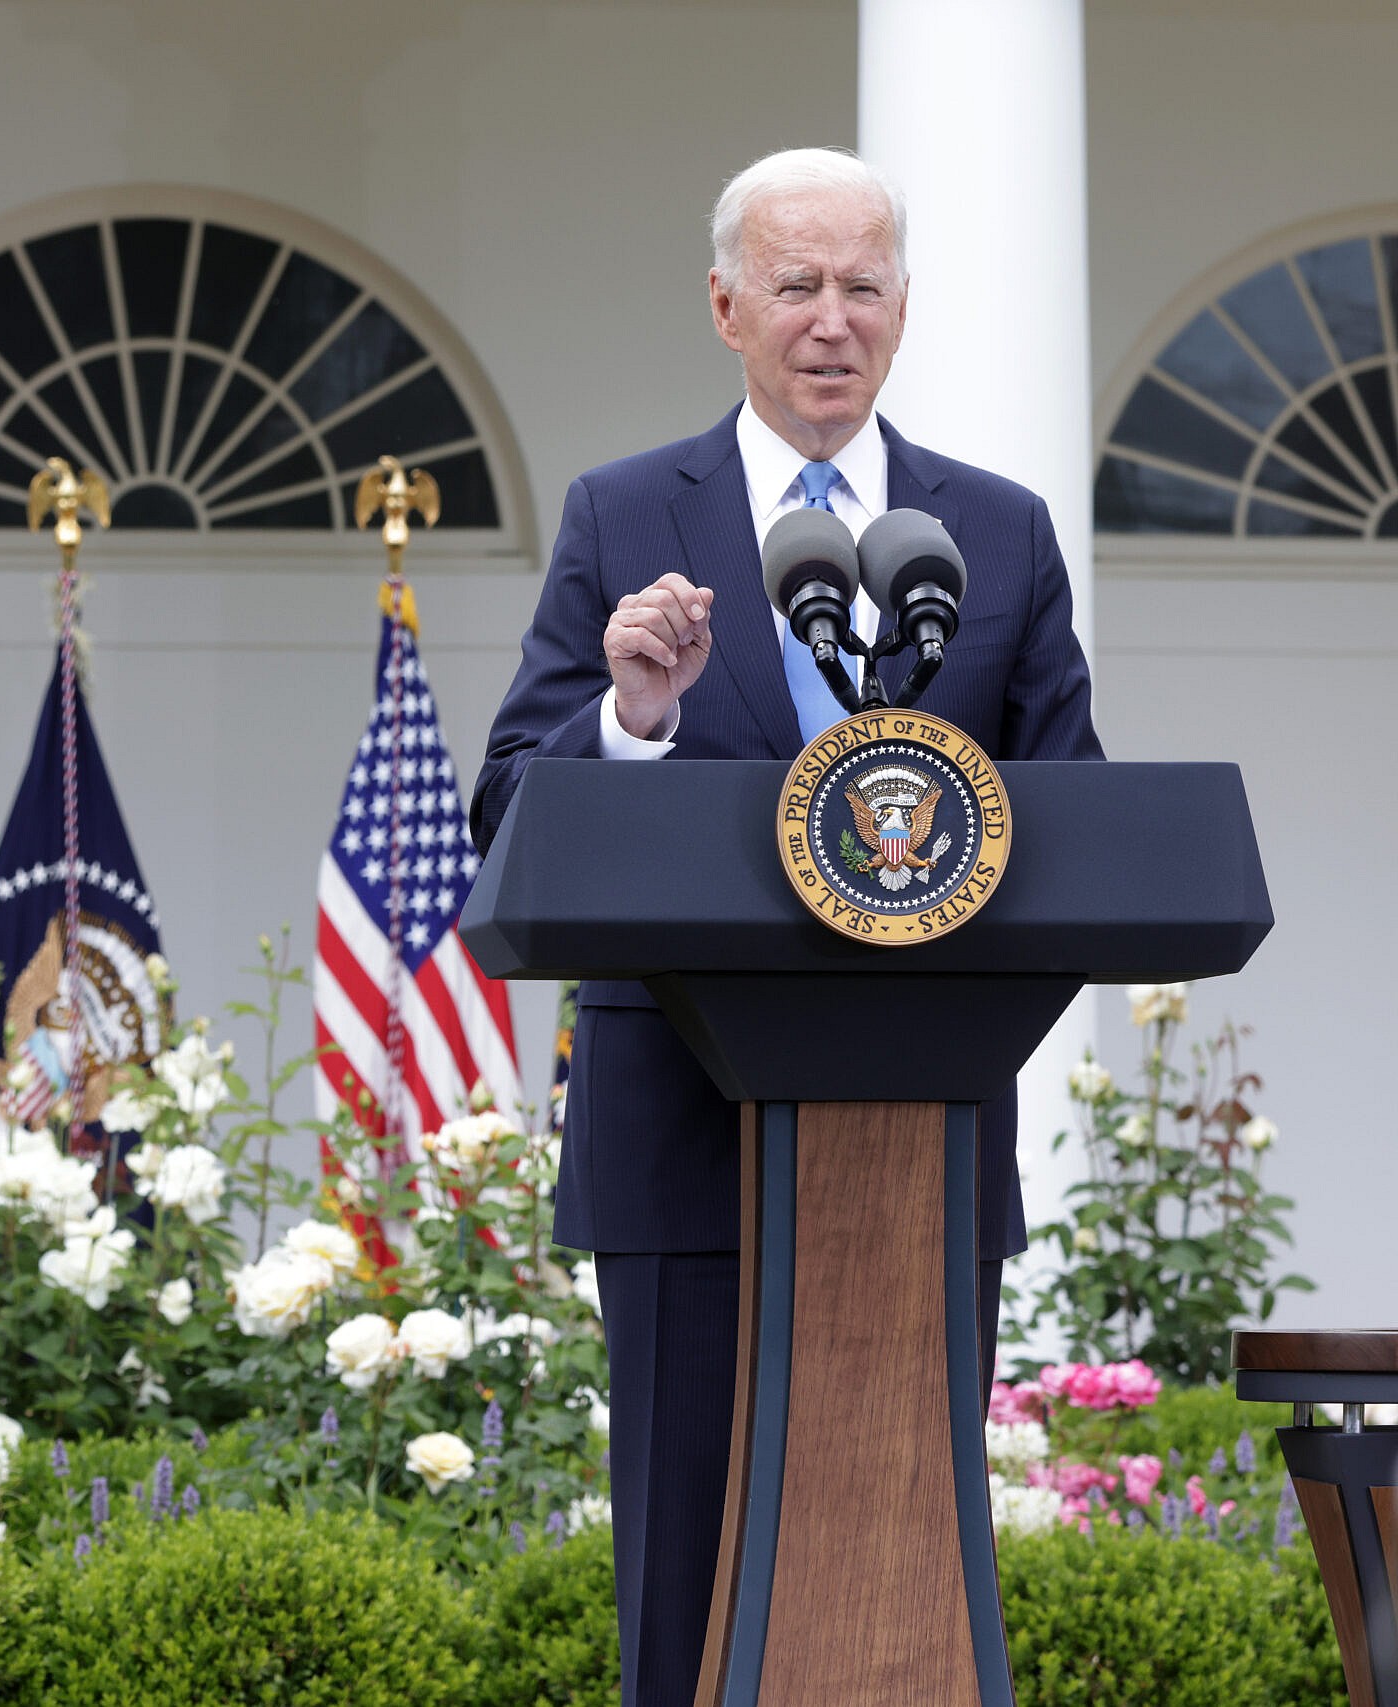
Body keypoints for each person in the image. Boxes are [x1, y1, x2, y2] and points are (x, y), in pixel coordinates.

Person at [470, 148, 1101, 1707]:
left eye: (863, 286)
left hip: (923, 1132)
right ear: (726, 306)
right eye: (798, 286)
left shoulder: (997, 534)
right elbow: (509, 812)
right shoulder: (628, 517)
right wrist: (631, 719)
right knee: (687, 1572)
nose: (833, 320)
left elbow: (1076, 823)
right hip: (682, 1126)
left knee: (906, 1563)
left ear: (903, 308)